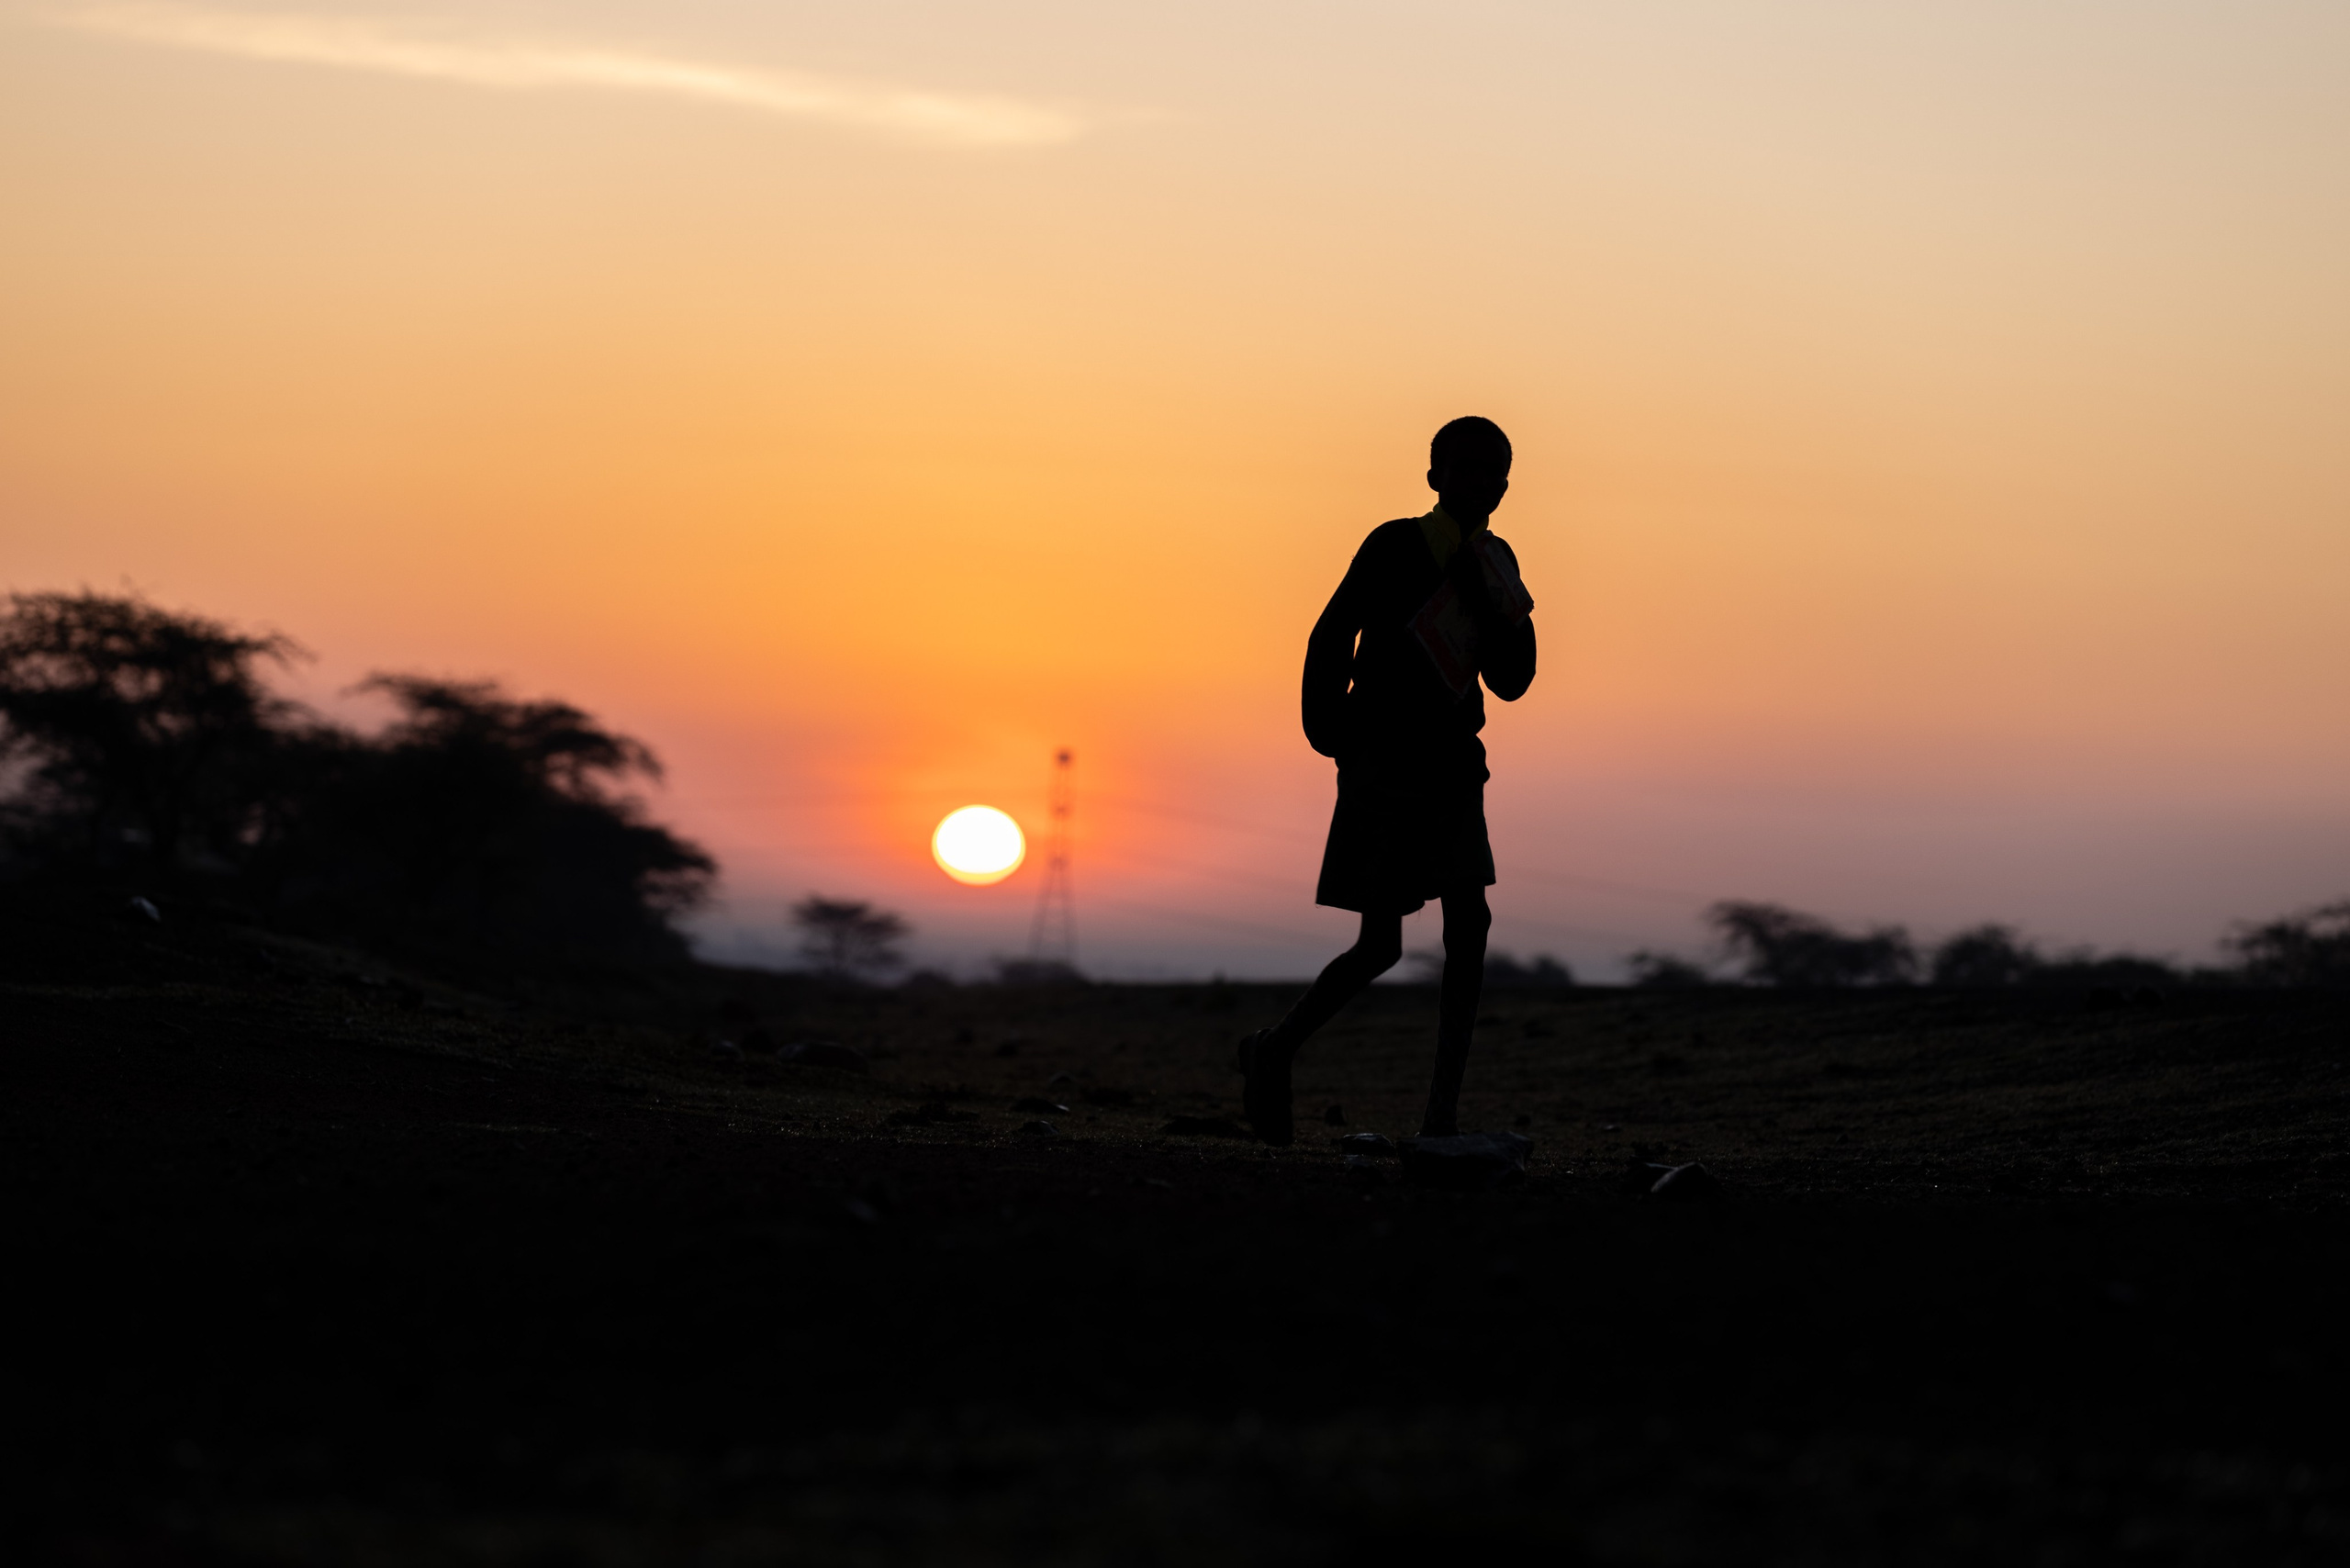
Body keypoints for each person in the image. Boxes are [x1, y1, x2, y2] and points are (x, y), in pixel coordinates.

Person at [1236, 416, 1537, 1145]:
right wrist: (1327, 728)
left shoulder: (1497, 563)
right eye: (1461, 467)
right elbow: (1332, 632)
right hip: (1383, 762)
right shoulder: (1394, 545)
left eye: (1491, 468)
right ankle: (1273, 1050)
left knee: (1470, 926)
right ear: (1434, 476)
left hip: (1456, 767)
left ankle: (1440, 1118)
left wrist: (1487, 599)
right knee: (1382, 946)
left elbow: (1514, 678)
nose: (1477, 480)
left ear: (1505, 482)